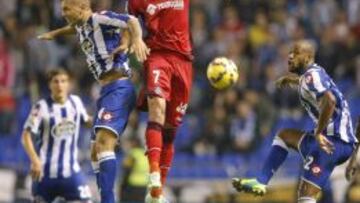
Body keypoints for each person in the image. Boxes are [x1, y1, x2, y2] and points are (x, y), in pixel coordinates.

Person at [38, 0, 149, 202]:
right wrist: (55, 34)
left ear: (81, 8)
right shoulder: (82, 26)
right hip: (106, 90)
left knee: (104, 144)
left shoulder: (99, 18)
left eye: (66, 9)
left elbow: (131, 20)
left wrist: (137, 39)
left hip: (119, 87)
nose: (63, 13)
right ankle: (105, 197)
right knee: (94, 152)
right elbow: (73, 28)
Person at [232, 40, 358, 203]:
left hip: (331, 143)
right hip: (337, 143)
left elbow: (330, 100)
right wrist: (289, 80)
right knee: (284, 136)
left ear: (307, 58)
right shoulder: (313, 74)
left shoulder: (312, 76)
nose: (290, 56)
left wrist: (319, 132)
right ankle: (261, 182)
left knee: (306, 197)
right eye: (290, 52)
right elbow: (310, 85)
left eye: (296, 53)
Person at [128, 0, 193, 202]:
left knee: (170, 130)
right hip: (157, 56)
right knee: (157, 110)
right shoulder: (135, 1)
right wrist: (135, 38)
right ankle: (154, 173)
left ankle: (157, 193)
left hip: (183, 61)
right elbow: (128, 22)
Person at [22, 69, 93, 203]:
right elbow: (25, 135)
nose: (59, 85)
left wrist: (104, 123)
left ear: (69, 84)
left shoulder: (76, 102)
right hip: (45, 174)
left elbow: (86, 121)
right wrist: (35, 160)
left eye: (63, 81)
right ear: (50, 84)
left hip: (71, 172)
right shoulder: (41, 107)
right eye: (56, 81)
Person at [119, 137, 149, 203]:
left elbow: (127, 169)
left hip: (132, 184)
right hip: (143, 184)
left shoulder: (132, 154)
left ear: (134, 143)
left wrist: (122, 185)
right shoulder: (145, 154)